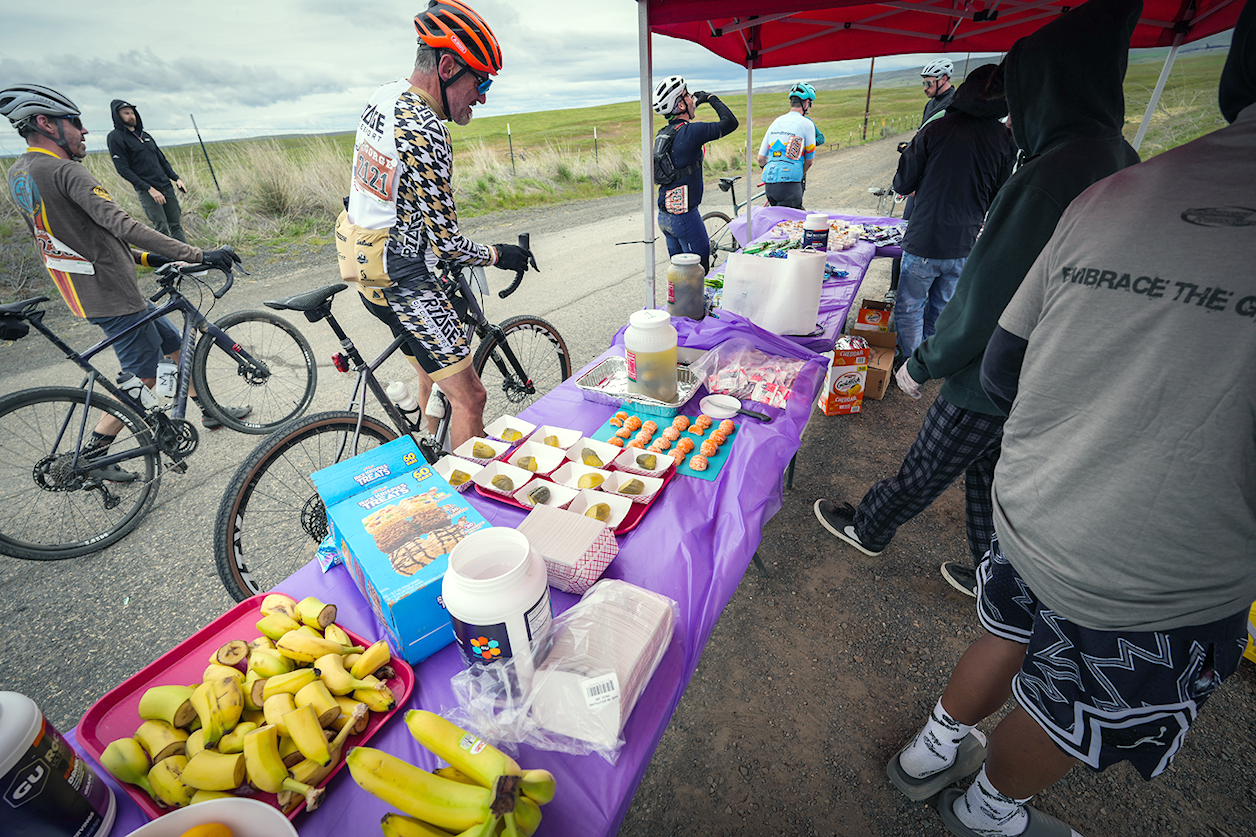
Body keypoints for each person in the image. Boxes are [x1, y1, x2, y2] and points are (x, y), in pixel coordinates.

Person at [888, 5, 1255, 833]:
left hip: (1043, 497)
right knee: (1078, 702)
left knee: (1011, 630)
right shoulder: (1103, 162)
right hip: (1157, 561)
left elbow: (1004, 358)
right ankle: (985, 810)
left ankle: (930, 750)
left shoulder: (1117, 188)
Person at [813, 0, 1143, 598]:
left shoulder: (1048, 172)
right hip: (1050, 366)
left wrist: (926, 362)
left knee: (928, 463)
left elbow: (990, 295)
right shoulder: (1120, 158)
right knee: (989, 472)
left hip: (995, 366)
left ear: (1048, 87)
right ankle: (993, 578)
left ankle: (869, 526)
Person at [1, 84, 247, 477]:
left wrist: (144, 258)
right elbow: (122, 223)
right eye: (75, 122)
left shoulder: (19, 174)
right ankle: (93, 457)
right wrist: (195, 254)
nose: (83, 132)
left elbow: (72, 236)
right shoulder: (65, 170)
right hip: (112, 294)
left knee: (175, 346)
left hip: (89, 290)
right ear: (46, 124)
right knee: (145, 377)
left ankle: (207, 412)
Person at [336, 0, 536, 450]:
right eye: (480, 81)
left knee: (432, 367)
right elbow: (448, 245)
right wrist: (499, 254)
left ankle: (431, 448)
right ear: (447, 66)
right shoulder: (426, 128)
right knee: (471, 398)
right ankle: (468, 502)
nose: (482, 96)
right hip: (404, 280)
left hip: (364, 263)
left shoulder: (384, 96)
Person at [890, 63, 1015, 360]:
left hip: (925, 239)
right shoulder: (1004, 139)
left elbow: (903, 182)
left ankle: (911, 363)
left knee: (910, 306)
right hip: (965, 242)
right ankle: (928, 362)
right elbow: (1001, 192)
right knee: (942, 307)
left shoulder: (937, 128)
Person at [652, 74, 738, 273]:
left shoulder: (665, 133)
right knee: (699, 275)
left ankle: (682, 304)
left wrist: (692, 102)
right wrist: (710, 98)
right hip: (685, 218)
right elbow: (730, 123)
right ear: (680, 105)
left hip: (666, 216)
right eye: (688, 94)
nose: (692, 97)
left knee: (681, 276)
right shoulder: (691, 132)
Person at [107, 99, 188, 243]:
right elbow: (123, 169)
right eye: (126, 113)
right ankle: (170, 261)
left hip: (166, 186)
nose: (131, 116)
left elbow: (162, 160)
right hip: (148, 191)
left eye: (132, 113)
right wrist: (149, 188)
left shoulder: (145, 136)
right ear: (117, 116)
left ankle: (189, 258)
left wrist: (176, 179)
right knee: (161, 228)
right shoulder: (115, 137)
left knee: (175, 225)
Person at [755, 82, 818, 209]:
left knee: (777, 224)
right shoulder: (806, 123)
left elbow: (760, 159)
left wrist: (769, 170)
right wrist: (799, 175)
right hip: (790, 184)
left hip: (770, 186)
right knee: (792, 226)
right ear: (806, 103)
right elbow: (809, 161)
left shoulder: (776, 121)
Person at [919, 58, 957, 128]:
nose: (925, 88)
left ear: (943, 79)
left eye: (929, 83)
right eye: (924, 84)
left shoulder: (954, 104)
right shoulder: (930, 104)